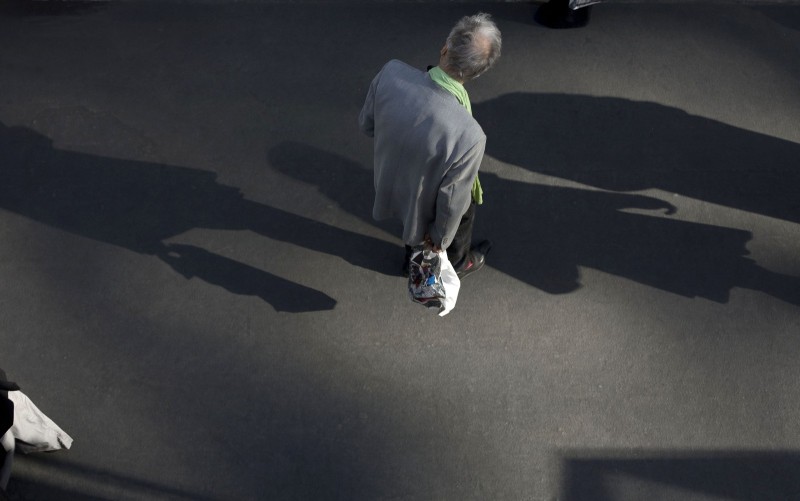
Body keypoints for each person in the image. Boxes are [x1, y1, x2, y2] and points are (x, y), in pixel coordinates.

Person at [359, 13, 501, 279]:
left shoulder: (391, 72)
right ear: (479, 72)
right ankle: (459, 263)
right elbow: (452, 201)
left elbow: (367, 125)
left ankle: (409, 261)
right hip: (427, 200)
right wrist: (440, 238)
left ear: (445, 48)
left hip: (394, 180)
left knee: (412, 223)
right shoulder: (470, 136)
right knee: (458, 221)